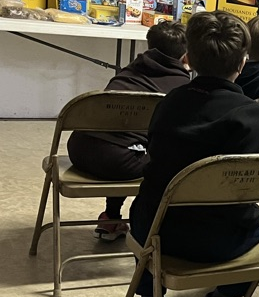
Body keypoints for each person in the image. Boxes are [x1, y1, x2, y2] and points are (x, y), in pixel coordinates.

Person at [129, 11, 259, 297]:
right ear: (243, 63)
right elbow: (238, 197)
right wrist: (258, 212)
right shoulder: (252, 115)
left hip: (153, 233)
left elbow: (157, 165)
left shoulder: (169, 102)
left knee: (149, 199)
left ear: (188, 58)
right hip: (214, 243)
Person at [66, 21, 190, 241]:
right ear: (186, 56)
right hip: (118, 162)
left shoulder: (129, 70)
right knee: (166, 157)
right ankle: (152, 224)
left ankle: (111, 218)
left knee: (129, 143)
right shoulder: (180, 84)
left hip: (78, 148)